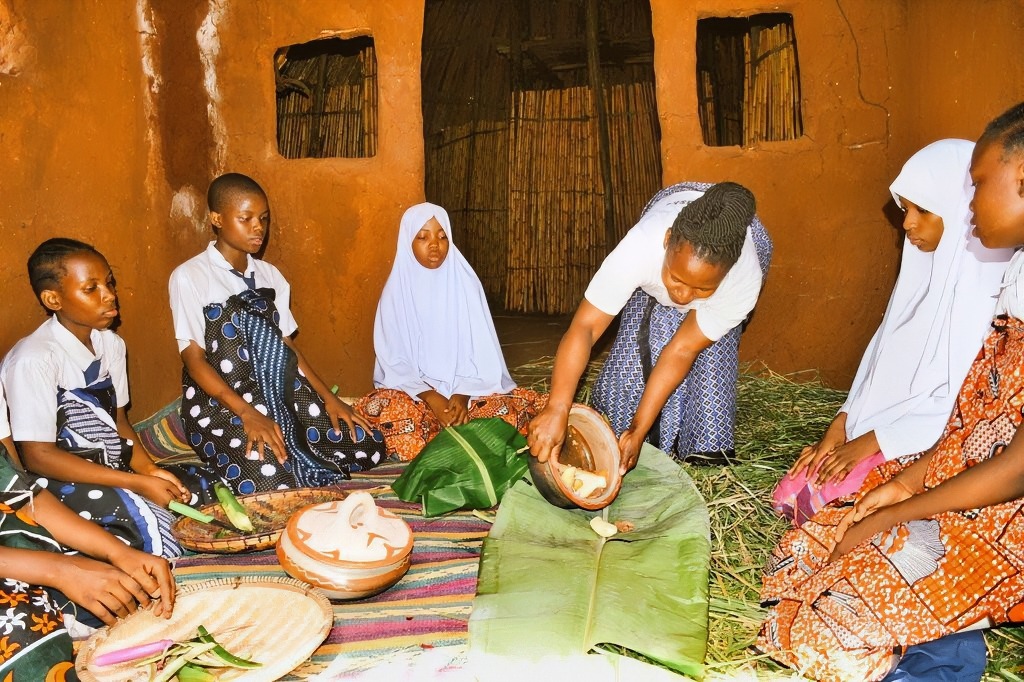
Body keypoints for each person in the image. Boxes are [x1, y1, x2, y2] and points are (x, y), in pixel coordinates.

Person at [758, 101, 1024, 682]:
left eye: (977, 186)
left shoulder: (995, 284)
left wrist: (899, 503)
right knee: (805, 555)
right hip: (957, 476)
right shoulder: (1019, 278)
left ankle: (944, 650)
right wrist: (901, 483)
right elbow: (975, 425)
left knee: (843, 601)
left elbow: (1012, 463)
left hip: (1002, 511)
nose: (971, 201)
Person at [772, 139, 1014, 525]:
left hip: (927, 442)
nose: (907, 224)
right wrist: (841, 427)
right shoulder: (917, 280)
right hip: (882, 429)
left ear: (958, 208)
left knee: (824, 507)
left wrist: (872, 443)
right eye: (905, 210)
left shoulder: (984, 292)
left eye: (922, 210)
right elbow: (878, 365)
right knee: (792, 493)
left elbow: (959, 405)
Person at [527, 181, 771, 472]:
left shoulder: (742, 278)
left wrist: (640, 429)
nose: (681, 296)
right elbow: (586, 327)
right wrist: (558, 406)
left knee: (711, 359)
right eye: (676, 279)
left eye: (701, 289)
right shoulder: (641, 246)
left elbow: (681, 349)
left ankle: (697, 448)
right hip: (673, 209)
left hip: (746, 233)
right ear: (668, 240)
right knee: (639, 342)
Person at [169, 172, 386, 494]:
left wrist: (331, 400)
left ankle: (297, 451)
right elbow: (194, 360)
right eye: (246, 218)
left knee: (367, 444)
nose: (258, 227)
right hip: (222, 401)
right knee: (272, 476)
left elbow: (287, 347)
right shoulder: (190, 276)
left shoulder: (271, 276)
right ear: (217, 219)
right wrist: (247, 413)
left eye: (263, 219)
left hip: (281, 391)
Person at [1, 238, 215, 559]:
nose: (109, 295)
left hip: (113, 467)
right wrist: (137, 485)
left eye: (109, 282)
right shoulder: (34, 359)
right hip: (57, 479)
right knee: (150, 526)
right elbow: (38, 457)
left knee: (203, 491)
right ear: (53, 299)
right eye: (91, 288)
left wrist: (149, 471)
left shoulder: (111, 345)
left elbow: (119, 422)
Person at [0, 394, 174, 679]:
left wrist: (116, 553)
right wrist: (59, 570)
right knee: (23, 631)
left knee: (124, 583)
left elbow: (22, 495)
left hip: (18, 545)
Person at [354, 202, 544, 460]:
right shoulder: (395, 294)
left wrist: (461, 395)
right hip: (416, 395)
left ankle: (444, 438)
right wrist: (432, 397)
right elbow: (393, 361)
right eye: (423, 237)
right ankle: (456, 439)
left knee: (503, 412)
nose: (435, 244)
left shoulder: (465, 285)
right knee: (388, 412)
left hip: (466, 394)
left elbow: (482, 354)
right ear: (407, 243)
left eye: (443, 237)